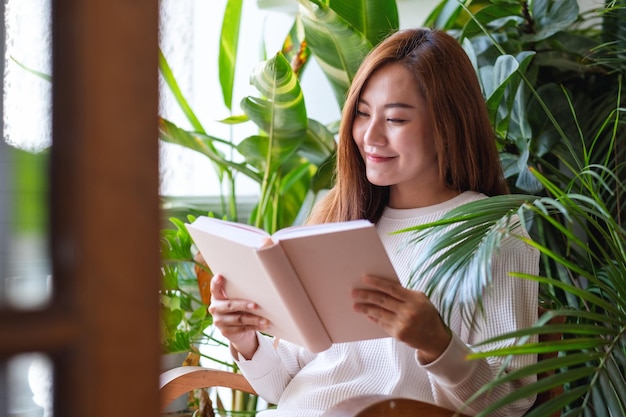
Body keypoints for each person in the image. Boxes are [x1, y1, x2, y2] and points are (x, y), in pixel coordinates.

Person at [208, 28, 539, 417]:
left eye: (396, 119)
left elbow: (509, 403)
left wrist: (438, 345)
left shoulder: (493, 230)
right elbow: (287, 387)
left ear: (447, 126)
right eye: (362, 113)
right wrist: (246, 340)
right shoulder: (340, 218)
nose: (370, 136)